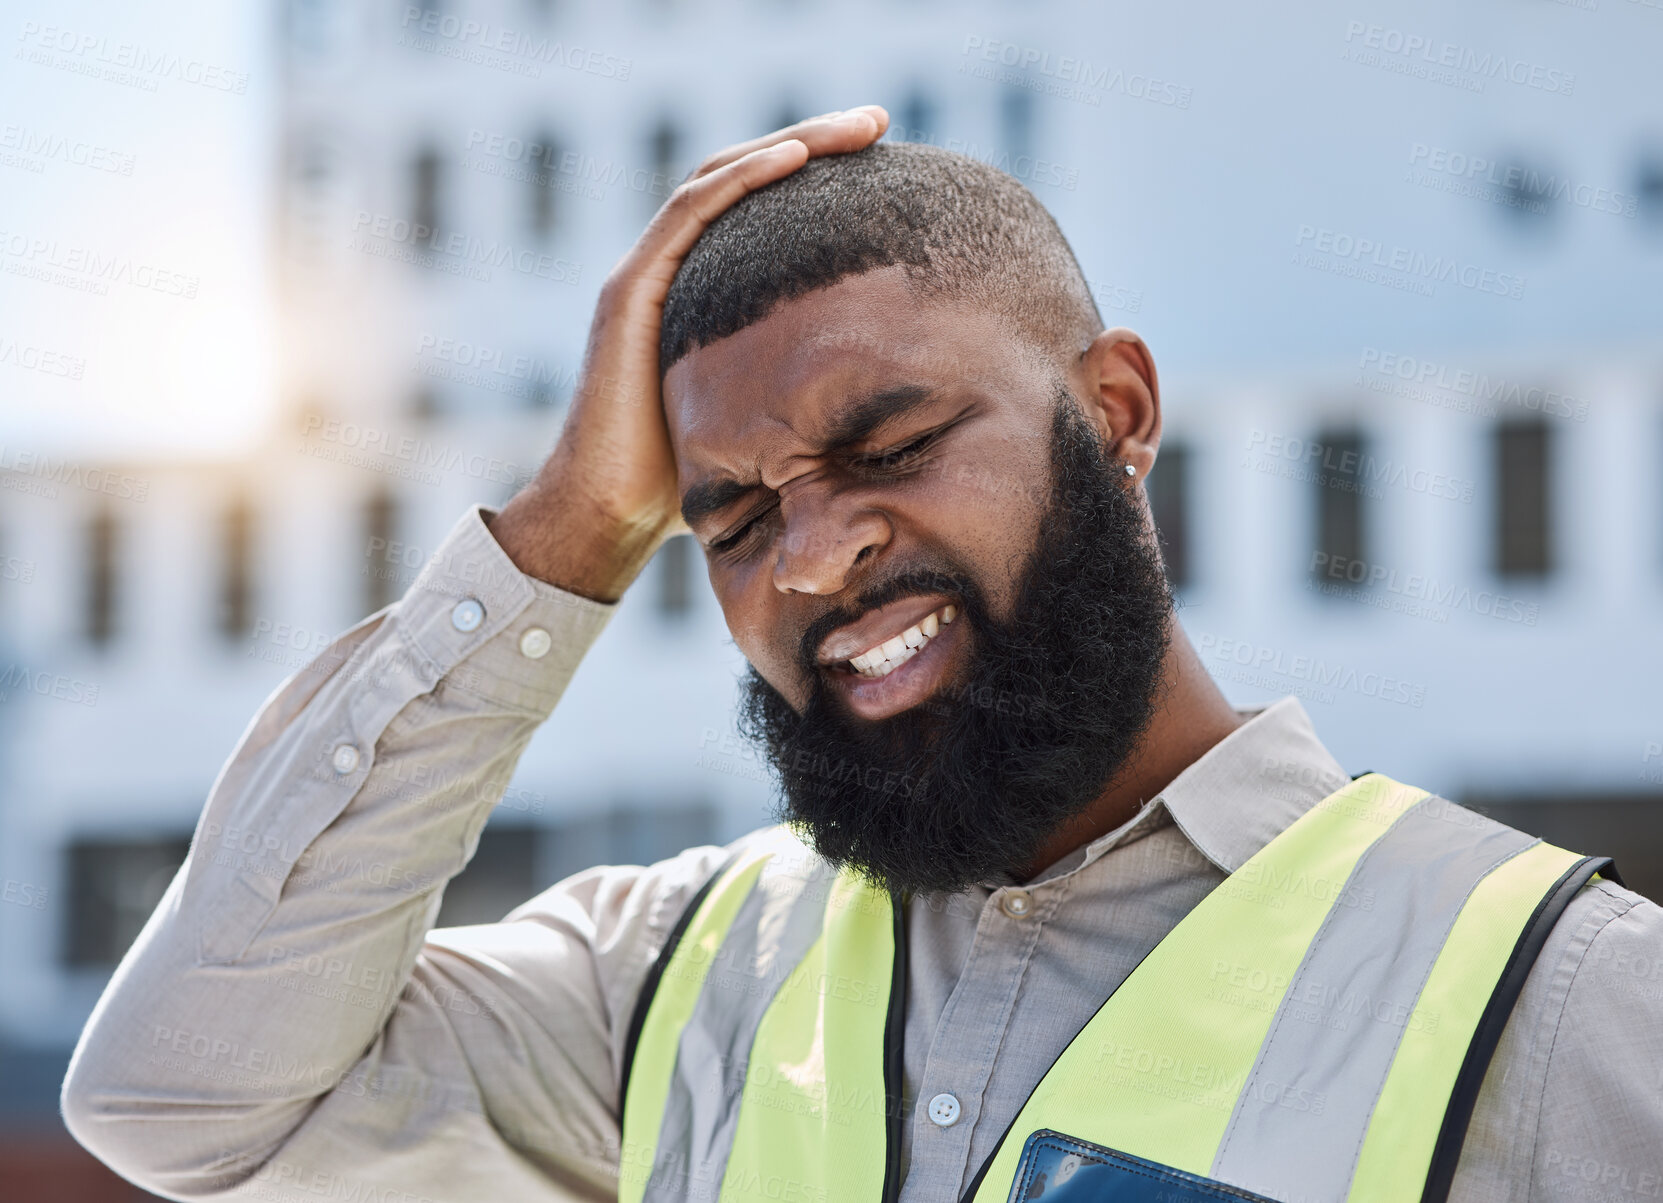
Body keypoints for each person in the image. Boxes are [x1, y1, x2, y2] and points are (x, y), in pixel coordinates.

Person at [63, 106, 1663, 1203]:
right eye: (733, 519)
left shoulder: (1564, 995)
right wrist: (569, 531)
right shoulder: (675, 972)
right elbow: (178, 1102)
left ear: (1114, 415)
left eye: (890, 440)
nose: (816, 554)